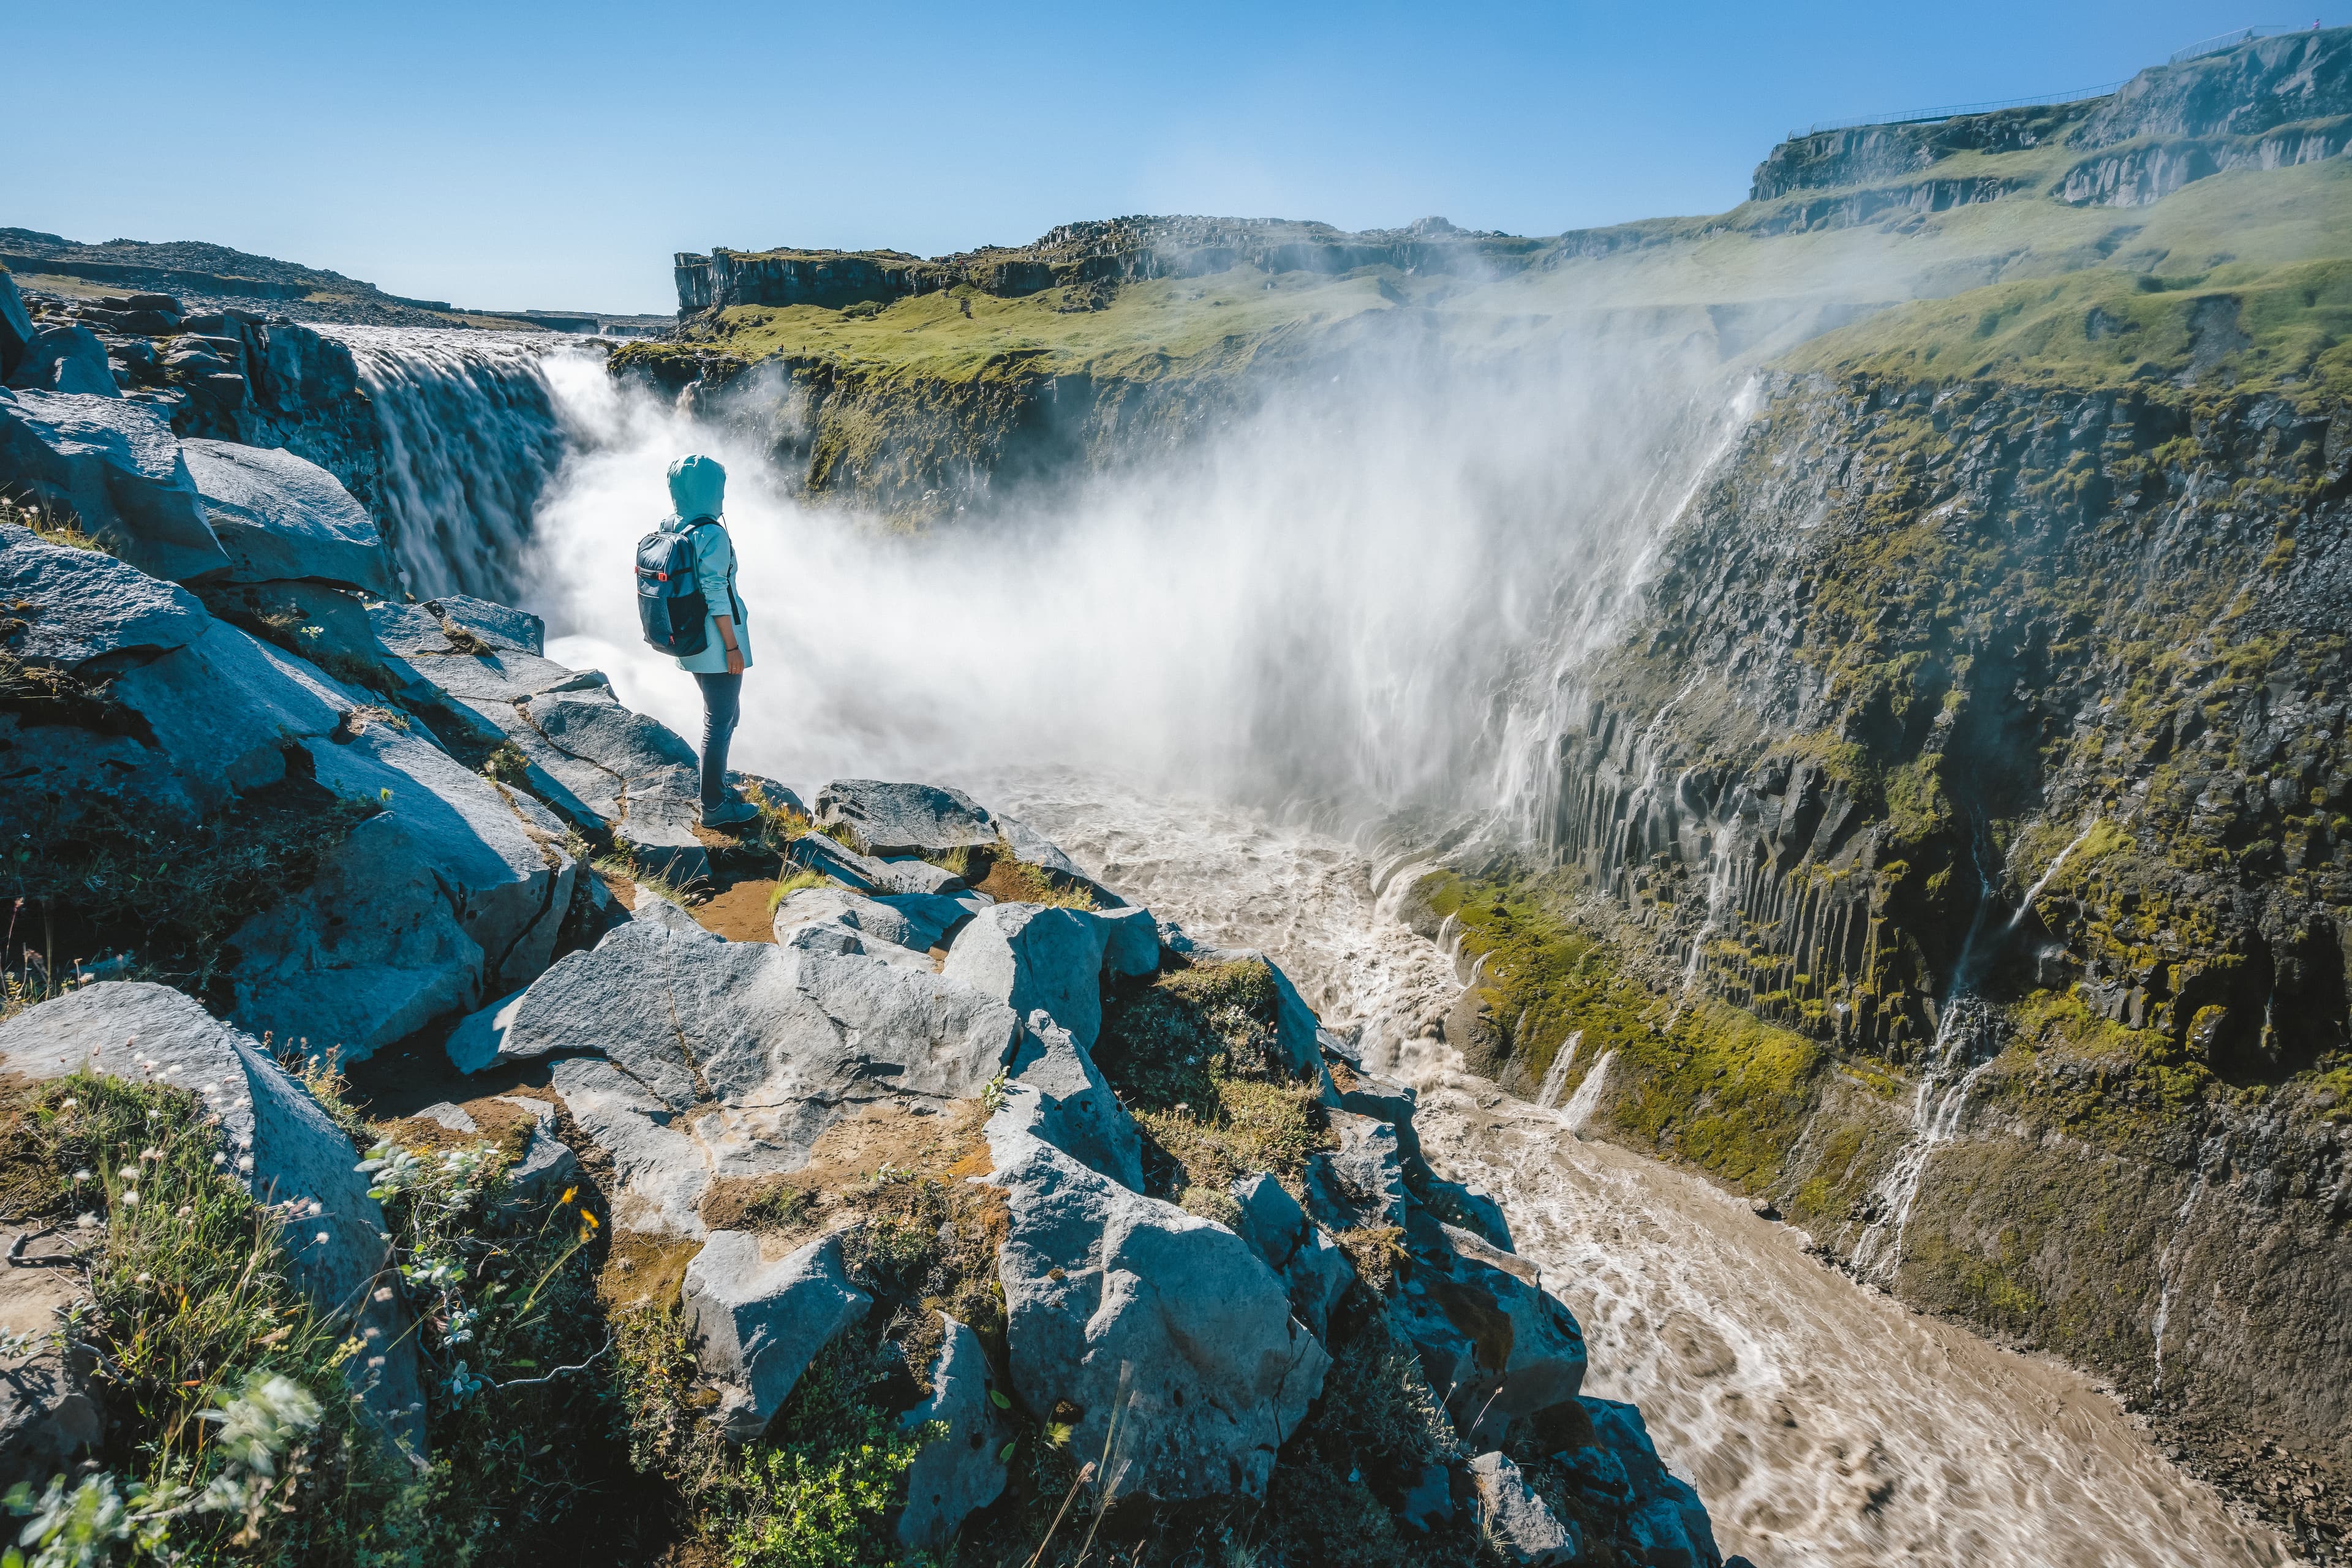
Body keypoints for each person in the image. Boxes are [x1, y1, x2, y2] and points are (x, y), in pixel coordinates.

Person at [659, 454, 760, 827]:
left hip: (688, 637)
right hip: (717, 642)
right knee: (719, 721)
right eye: (718, 487)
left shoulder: (671, 524)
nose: (722, 495)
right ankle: (714, 806)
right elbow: (717, 593)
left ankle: (714, 788)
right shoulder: (712, 534)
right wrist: (732, 648)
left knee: (725, 715)